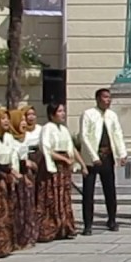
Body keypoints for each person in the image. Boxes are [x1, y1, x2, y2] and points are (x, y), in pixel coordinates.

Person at [79, 88, 127, 235]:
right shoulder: (88, 114)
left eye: (109, 97)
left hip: (107, 157)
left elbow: (117, 134)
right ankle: (88, 224)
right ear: (98, 99)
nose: (108, 100)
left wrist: (122, 153)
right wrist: (94, 156)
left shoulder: (112, 115)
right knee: (88, 192)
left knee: (110, 190)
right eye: (105, 97)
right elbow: (84, 136)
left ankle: (112, 220)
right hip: (91, 158)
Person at [37, 103, 83, 241]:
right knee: (52, 196)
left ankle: (65, 226)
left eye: (63, 111)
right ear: (52, 114)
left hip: (64, 167)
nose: (63, 114)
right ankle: (51, 227)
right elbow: (46, 149)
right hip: (53, 167)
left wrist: (80, 163)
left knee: (64, 196)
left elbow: (71, 147)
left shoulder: (63, 129)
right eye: (60, 111)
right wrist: (63, 159)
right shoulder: (47, 128)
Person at [0, 107, 21, 257]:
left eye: (7, 118)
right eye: (2, 118)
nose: (6, 121)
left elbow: (13, 155)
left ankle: (7, 243)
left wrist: (14, 171)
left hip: (9, 175)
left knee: (9, 210)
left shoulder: (8, 137)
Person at [9, 107, 40, 250]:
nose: (24, 123)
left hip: (25, 175)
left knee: (26, 207)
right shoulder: (9, 139)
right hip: (15, 176)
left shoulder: (22, 137)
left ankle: (26, 236)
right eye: (21, 120)